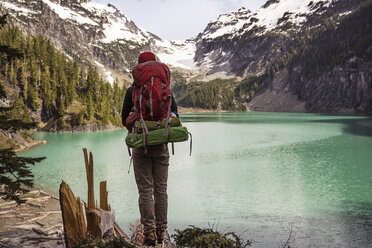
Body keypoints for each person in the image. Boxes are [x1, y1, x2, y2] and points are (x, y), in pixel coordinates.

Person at [121, 51, 178, 246]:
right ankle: (162, 231)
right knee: (161, 190)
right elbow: (175, 113)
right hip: (161, 145)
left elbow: (123, 121)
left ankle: (150, 234)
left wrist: (137, 120)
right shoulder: (165, 88)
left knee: (145, 190)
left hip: (141, 146)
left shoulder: (133, 90)